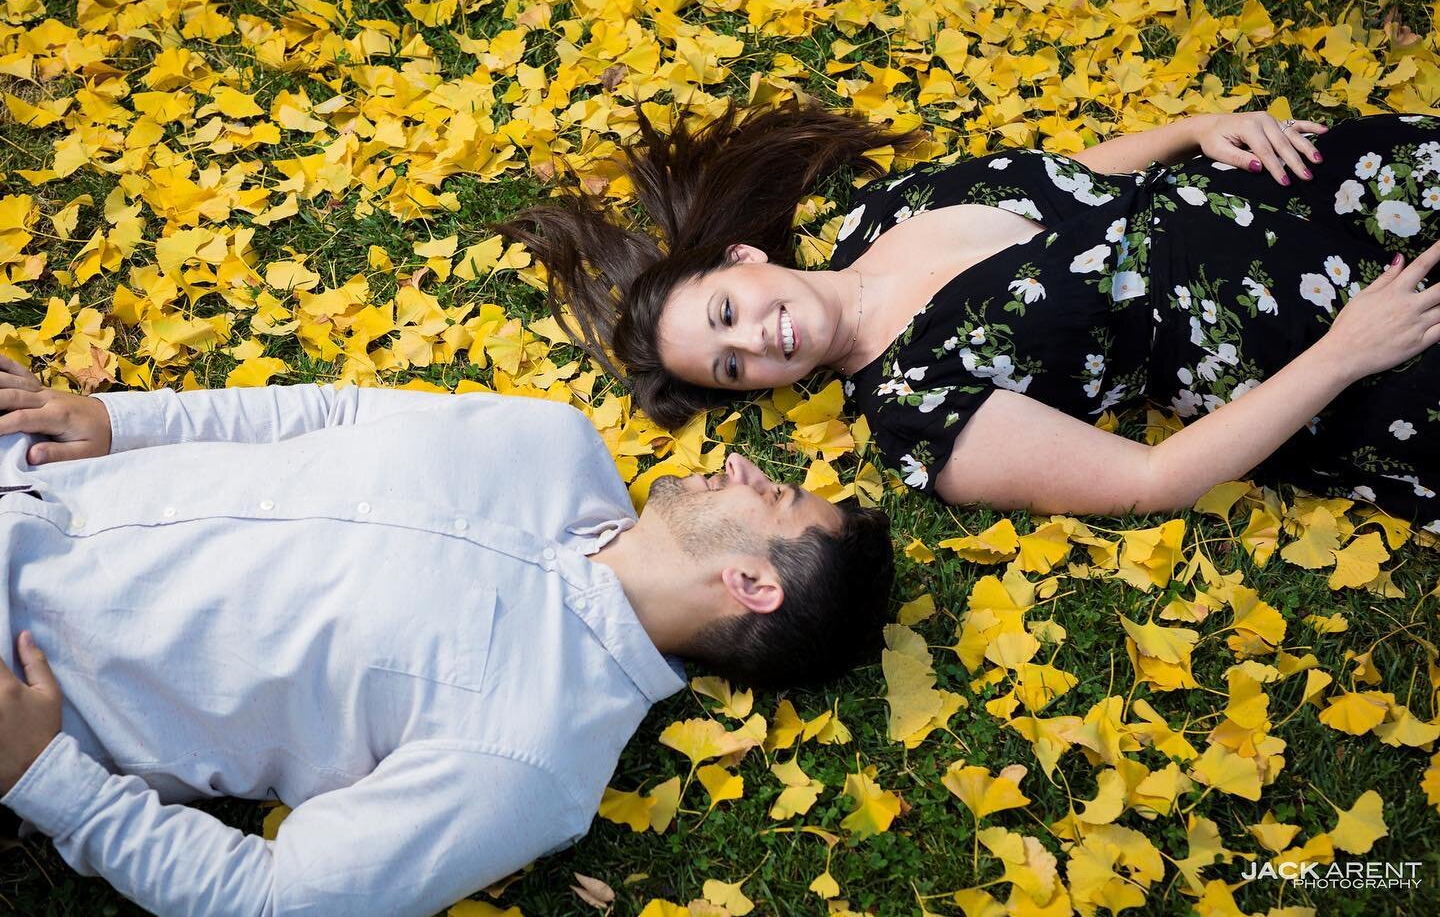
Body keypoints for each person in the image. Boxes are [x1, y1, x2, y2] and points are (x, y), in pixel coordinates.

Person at [0, 364, 895, 916]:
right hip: (24, 458)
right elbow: (332, 412)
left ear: (754, 585)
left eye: (770, 495)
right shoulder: (551, 438)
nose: (742, 464)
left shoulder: (541, 755)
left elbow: (277, 898)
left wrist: (50, 783)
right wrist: (123, 421)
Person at [496, 99, 1440, 528]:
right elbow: (1151, 480)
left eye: (728, 312)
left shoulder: (886, 209)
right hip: (1314, 334)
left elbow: (1077, 179)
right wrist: (1347, 353)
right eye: (732, 365)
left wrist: (1198, 128)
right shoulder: (915, 409)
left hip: (1321, 189)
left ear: (745, 257)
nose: (757, 340)